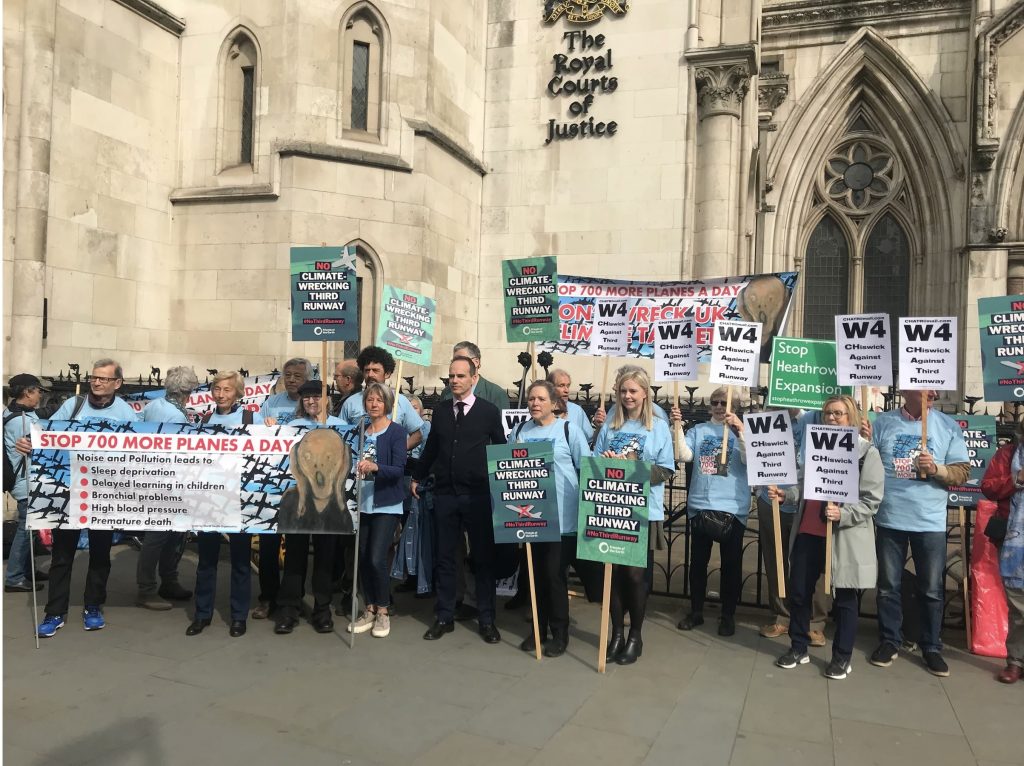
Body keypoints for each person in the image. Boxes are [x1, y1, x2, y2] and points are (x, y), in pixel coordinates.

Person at [771, 395, 883, 679]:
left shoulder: (865, 453)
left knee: (845, 597)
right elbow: (803, 486)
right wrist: (788, 495)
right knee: (799, 591)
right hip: (810, 529)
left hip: (843, 537)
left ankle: (842, 657)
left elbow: (871, 500)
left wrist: (843, 515)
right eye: (827, 414)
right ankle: (798, 646)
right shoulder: (815, 448)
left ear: (851, 418)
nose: (832, 418)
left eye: (839, 414)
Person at [869, 389, 969, 676]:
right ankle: (889, 640)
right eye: (926, 387)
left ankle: (931, 646)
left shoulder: (947, 427)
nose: (934, 393)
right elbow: (866, 463)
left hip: (930, 521)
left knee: (931, 589)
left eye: (935, 388)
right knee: (888, 586)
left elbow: (962, 471)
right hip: (890, 517)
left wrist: (936, 469)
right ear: (906, 391)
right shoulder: (883, 423)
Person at [36, 359, 140, 638]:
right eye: (94, 377)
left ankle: (93, 606)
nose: (97, 382)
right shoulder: (73, 405)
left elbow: (143, 449)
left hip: (106, 494)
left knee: (100, 554)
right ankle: (54, 612)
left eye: (104, 379)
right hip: (68, 493)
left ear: (117, 383)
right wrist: (29, 442)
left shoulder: (126, 412)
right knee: (62, 555)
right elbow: (48, 435)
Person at [412, 356, 506, 644]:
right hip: (446, 495)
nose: (454, 380)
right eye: (451, 375)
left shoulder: (489, 412)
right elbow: (431, 448)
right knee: (445, 557)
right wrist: (417, 476)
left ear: (473, 379)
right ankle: (444, 615)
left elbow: (500, 448)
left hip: (477, 496)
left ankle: (487, 619)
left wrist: (503, 483)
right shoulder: (440, 411)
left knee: (482, 559)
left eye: (461, 376)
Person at [595, 368, 674, 665]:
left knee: (634, 575)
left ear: (644, 393)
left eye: (633, 391)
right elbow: (597, 461)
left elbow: (666, 470)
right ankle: (616, 632)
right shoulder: (611, 425)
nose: (627, 397)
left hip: (642, 510)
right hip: (611, 509)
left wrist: (632, 467)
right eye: (623, 391)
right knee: (613, 574)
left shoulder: (658, 427)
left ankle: (635, 635)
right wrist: (607, 463)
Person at [511, 380, 591, 657]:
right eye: (531, 398)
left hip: (563, 519)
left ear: (555, 403)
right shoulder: (520, 431)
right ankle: (537, 628)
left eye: (541, 399)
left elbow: (586, 470)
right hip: (531, 518)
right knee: (535, 577)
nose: (534, 403)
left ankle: (559, 632)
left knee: (554, 576)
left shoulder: (569, 431)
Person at [187, 371, 262, 638]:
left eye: (227, 390)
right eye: (217, 389)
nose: (221, 394)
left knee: (241, 560)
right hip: (209, 498)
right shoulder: (203, 420)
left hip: (240, 499)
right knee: (207, 559)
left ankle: (238, 616)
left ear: (238, 393)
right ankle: (202, 613)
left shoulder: (252, 418)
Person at [676, 387, 751, 638]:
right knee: (697, 564)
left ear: (735, 407)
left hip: (732, 507)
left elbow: (749, 460)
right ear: (710, 406)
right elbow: (683, 454)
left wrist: (740, 430)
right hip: (701, 505)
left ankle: (728, 615)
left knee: (731, 566)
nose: (720, 407)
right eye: (715, 402)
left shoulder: (745, 431)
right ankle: (695, 611)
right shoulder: (699, 431)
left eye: (724, 403)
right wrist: (677, 426)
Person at [274, 381, 347, 635]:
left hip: (329, 503)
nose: (311, 401)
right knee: (294, 556)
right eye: (306, 397)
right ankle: (289, 609)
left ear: (327, 399)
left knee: (326, 558)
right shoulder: (293, 428)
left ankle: (322, 609)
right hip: (301, 501)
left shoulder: (339, 427)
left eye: (317, 396)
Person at [756, 408, 827, 646]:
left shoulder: (813, 417)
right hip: (772, 499)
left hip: (806, 499)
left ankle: (814, 622)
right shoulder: (766, 419)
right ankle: (782, 616)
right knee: (775, 560)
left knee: (812, 562)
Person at [345, 382, 408, 639]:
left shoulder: (396, 432)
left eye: (379, 400)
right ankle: (369, 607)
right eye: (370, 400)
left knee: (376, 558)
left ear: (387, 404)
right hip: (362, 503)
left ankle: (383, 609)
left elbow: (398, 469)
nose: (373, 404)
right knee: (361, 557)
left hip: (386, 503)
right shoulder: (359, 429)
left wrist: (375, 467)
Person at [135, 366, 200, 610]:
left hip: (155, 478)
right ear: (188, 391)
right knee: (159, 536)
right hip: (168, 482)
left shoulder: (154, 406)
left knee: (173, 533)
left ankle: (168, 581)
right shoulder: (176, 417)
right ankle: (147, 588)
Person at [254, 359, 313, 620]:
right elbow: (255, 433)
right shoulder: (272, 403)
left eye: (297, 375)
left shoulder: (313, 403)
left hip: (300, 486)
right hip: (271, 484)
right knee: (268, 546)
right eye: (287, 375)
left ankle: (293, 599)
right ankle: (267, 597)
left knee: (297, 548)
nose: (291, 379)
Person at [980, 418, 1024, 684]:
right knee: (1018, 603)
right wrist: (1017, 479)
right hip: (1014, 540)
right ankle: (1016, 661)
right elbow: (988, 487)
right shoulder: (1007, 454)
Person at [4, 373, 48, 593]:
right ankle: (14, 577)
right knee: (25, 529)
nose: (40, 395)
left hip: (24, 480)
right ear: (28, 391)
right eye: (39, 391)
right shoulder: (21, 420)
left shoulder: (11, 413)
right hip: (26, 481)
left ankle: (27, 569)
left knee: (30, 529)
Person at [340, 346, 424, 451]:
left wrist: (398, 451)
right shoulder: (350, 403)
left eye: (375, 370)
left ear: (387, 373)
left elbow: (417, 435)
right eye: (367, 370)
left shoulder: (400, 401)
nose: (370, 374)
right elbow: (339, 435)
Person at [393, 396, 433, 595]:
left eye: (414, 406)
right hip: (400, 481)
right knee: (403, 529)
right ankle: (408, 575)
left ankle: (417, 578)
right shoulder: (396, 426)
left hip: (415, 481)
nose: (410, 409)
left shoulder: (424, 428)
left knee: (414, 529)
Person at [591, 364, 669, 430]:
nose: (614, 387)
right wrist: (600, 427)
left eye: (618, 383)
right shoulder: (614, 409)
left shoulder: (658, 416)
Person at [439, 341, 511, 411]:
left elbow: (501, 422)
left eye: (462, 359)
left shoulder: (496, 393)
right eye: (455, 360)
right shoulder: (447, 393)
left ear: (476, 362)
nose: (458, 363)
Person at [548, 368, 594, 444]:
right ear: (550, 387)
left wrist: (599, 427)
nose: (566, 390)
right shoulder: (543, 410)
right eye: (561, 385)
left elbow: (589, 440)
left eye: (568, 385)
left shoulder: (577, 410)